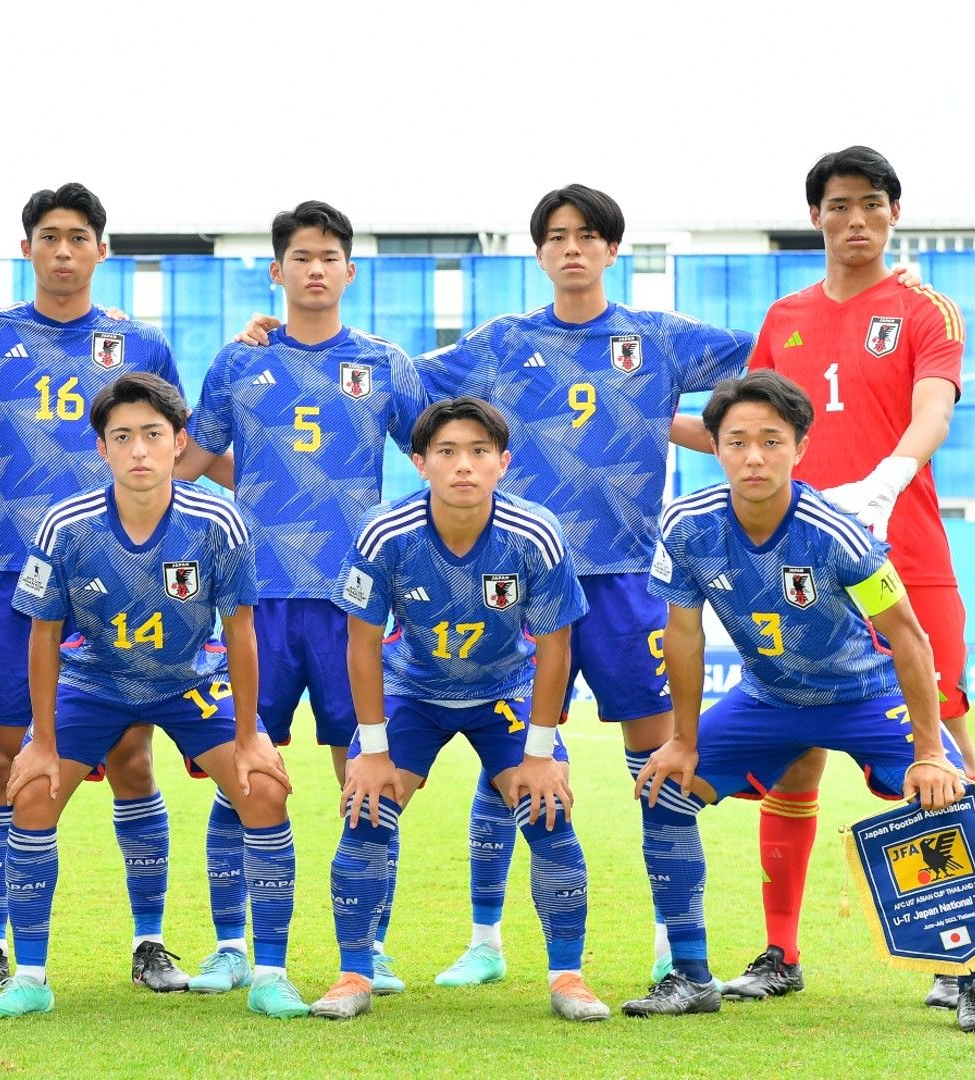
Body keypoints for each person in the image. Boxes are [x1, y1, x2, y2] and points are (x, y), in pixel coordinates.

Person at [410, 185, 753, 988]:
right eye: (557, 236)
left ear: (610, 250)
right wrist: (272, 334)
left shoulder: (657, 338)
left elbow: (774, 349)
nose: (572, 247)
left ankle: (675, 939)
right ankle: (487, 941)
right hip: (519, 584)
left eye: (588, 235)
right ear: (539, 254)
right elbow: (399, 383)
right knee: (510, 759)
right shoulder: (501, 341)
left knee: (660, 758)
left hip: (631, 582)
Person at [628, 370, 975, 1034]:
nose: (753, 457)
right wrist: (683, 740)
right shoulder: (686, 527)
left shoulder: (836, 530)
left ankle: (971, 977)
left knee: (952, 789)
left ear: (800, 448)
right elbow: (681, 636)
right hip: (768, 698)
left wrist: (928, 751)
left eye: (771, 441)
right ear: (712, 447)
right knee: (664, 786)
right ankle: (690, 975)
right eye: (737, 441)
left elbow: (909, 638)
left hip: (865, 695)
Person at [730, 147, 975, 1010]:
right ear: (819, 218)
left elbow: (934, 406)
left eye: (872, 203)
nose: (856, 219)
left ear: (894, 213)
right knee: (796, 751)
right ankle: (778, 953)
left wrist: (891, 474)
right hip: (800, 572)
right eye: (840, 205)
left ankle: (963, 954)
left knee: (940, 747)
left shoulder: (923, 307)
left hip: (904, 555)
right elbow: (747, 423)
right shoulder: (786, 315)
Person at [0, 373, 303, 1020]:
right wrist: (41, 742)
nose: (139, 451)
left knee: (263, 786)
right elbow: (43, 637)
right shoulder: (66, 525)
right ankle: (33, 977)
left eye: (153, 435)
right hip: (94, 681)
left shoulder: (219, 521)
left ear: (180, 442)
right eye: (122, 438)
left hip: (188, 681)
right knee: (32, 795)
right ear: (102, 449)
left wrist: (249, 734)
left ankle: (270, 973)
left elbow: (240, 630)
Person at [0, 184, 194, 994]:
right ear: (27, 249)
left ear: (100, 251)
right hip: (14, 574)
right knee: (3, 755)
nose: (63, 250)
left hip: (122, 582)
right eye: (48, 237)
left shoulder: (139, 344)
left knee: (130, 756)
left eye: (78, 237)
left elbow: (175, 443)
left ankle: (150, 941)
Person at [172, 200, 426, 995]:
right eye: (301, 257)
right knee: (243, 770)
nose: (315, 269)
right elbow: (189, 460)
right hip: (258, 599)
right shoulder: (238, 362)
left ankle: (370, 945)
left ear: (349, 272)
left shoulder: (386, 362)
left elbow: (437, 457)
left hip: (358, 604)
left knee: (369, 775)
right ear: (277, 271)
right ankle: (229, 943)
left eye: (330, 257)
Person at [310, 397, 606, 1022]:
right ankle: (354, 973)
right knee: (367, 812)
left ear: (503, 462)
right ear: (419, 463)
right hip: (413, 693)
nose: (463, 466)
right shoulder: (384, 533)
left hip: (506, 693)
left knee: (548, 812)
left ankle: (568, 977)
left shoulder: (536, 533)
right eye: (446, 452)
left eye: (478, 452)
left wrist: (541, 751)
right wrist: (370, 748)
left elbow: (556, 647)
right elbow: (360, 643)